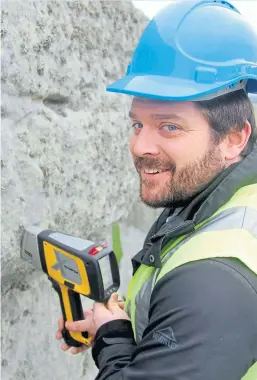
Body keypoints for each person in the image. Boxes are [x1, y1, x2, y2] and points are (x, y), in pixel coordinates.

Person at [56, 0, 257, 378]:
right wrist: (115, 328)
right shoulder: (206, 195)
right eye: (137, 124)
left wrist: (113, 341)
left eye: (169, 127)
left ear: (233, 138)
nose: (140, 147)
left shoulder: (216, 280)